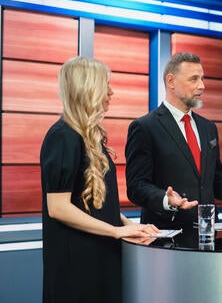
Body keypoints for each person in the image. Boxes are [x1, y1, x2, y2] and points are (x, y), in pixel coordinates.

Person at [40, 56, 159, 303]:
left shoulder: (87, 136)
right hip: (77, 265)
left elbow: (94, 204)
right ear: (89, 89)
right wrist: (115, 231)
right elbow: (58, 207)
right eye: (106, 85)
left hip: (100, 256)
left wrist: (125, 224)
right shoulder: (63, 137)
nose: (111, 92)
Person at [125, 52, 222, 229]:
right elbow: (136, 186)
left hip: (208, 235)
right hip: (166, 240)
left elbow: (217, 182)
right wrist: (165, 199)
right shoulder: (145, 127)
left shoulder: (208, 128)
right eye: (193, 79)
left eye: (202, 79)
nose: (202, 85)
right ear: (171, 81)